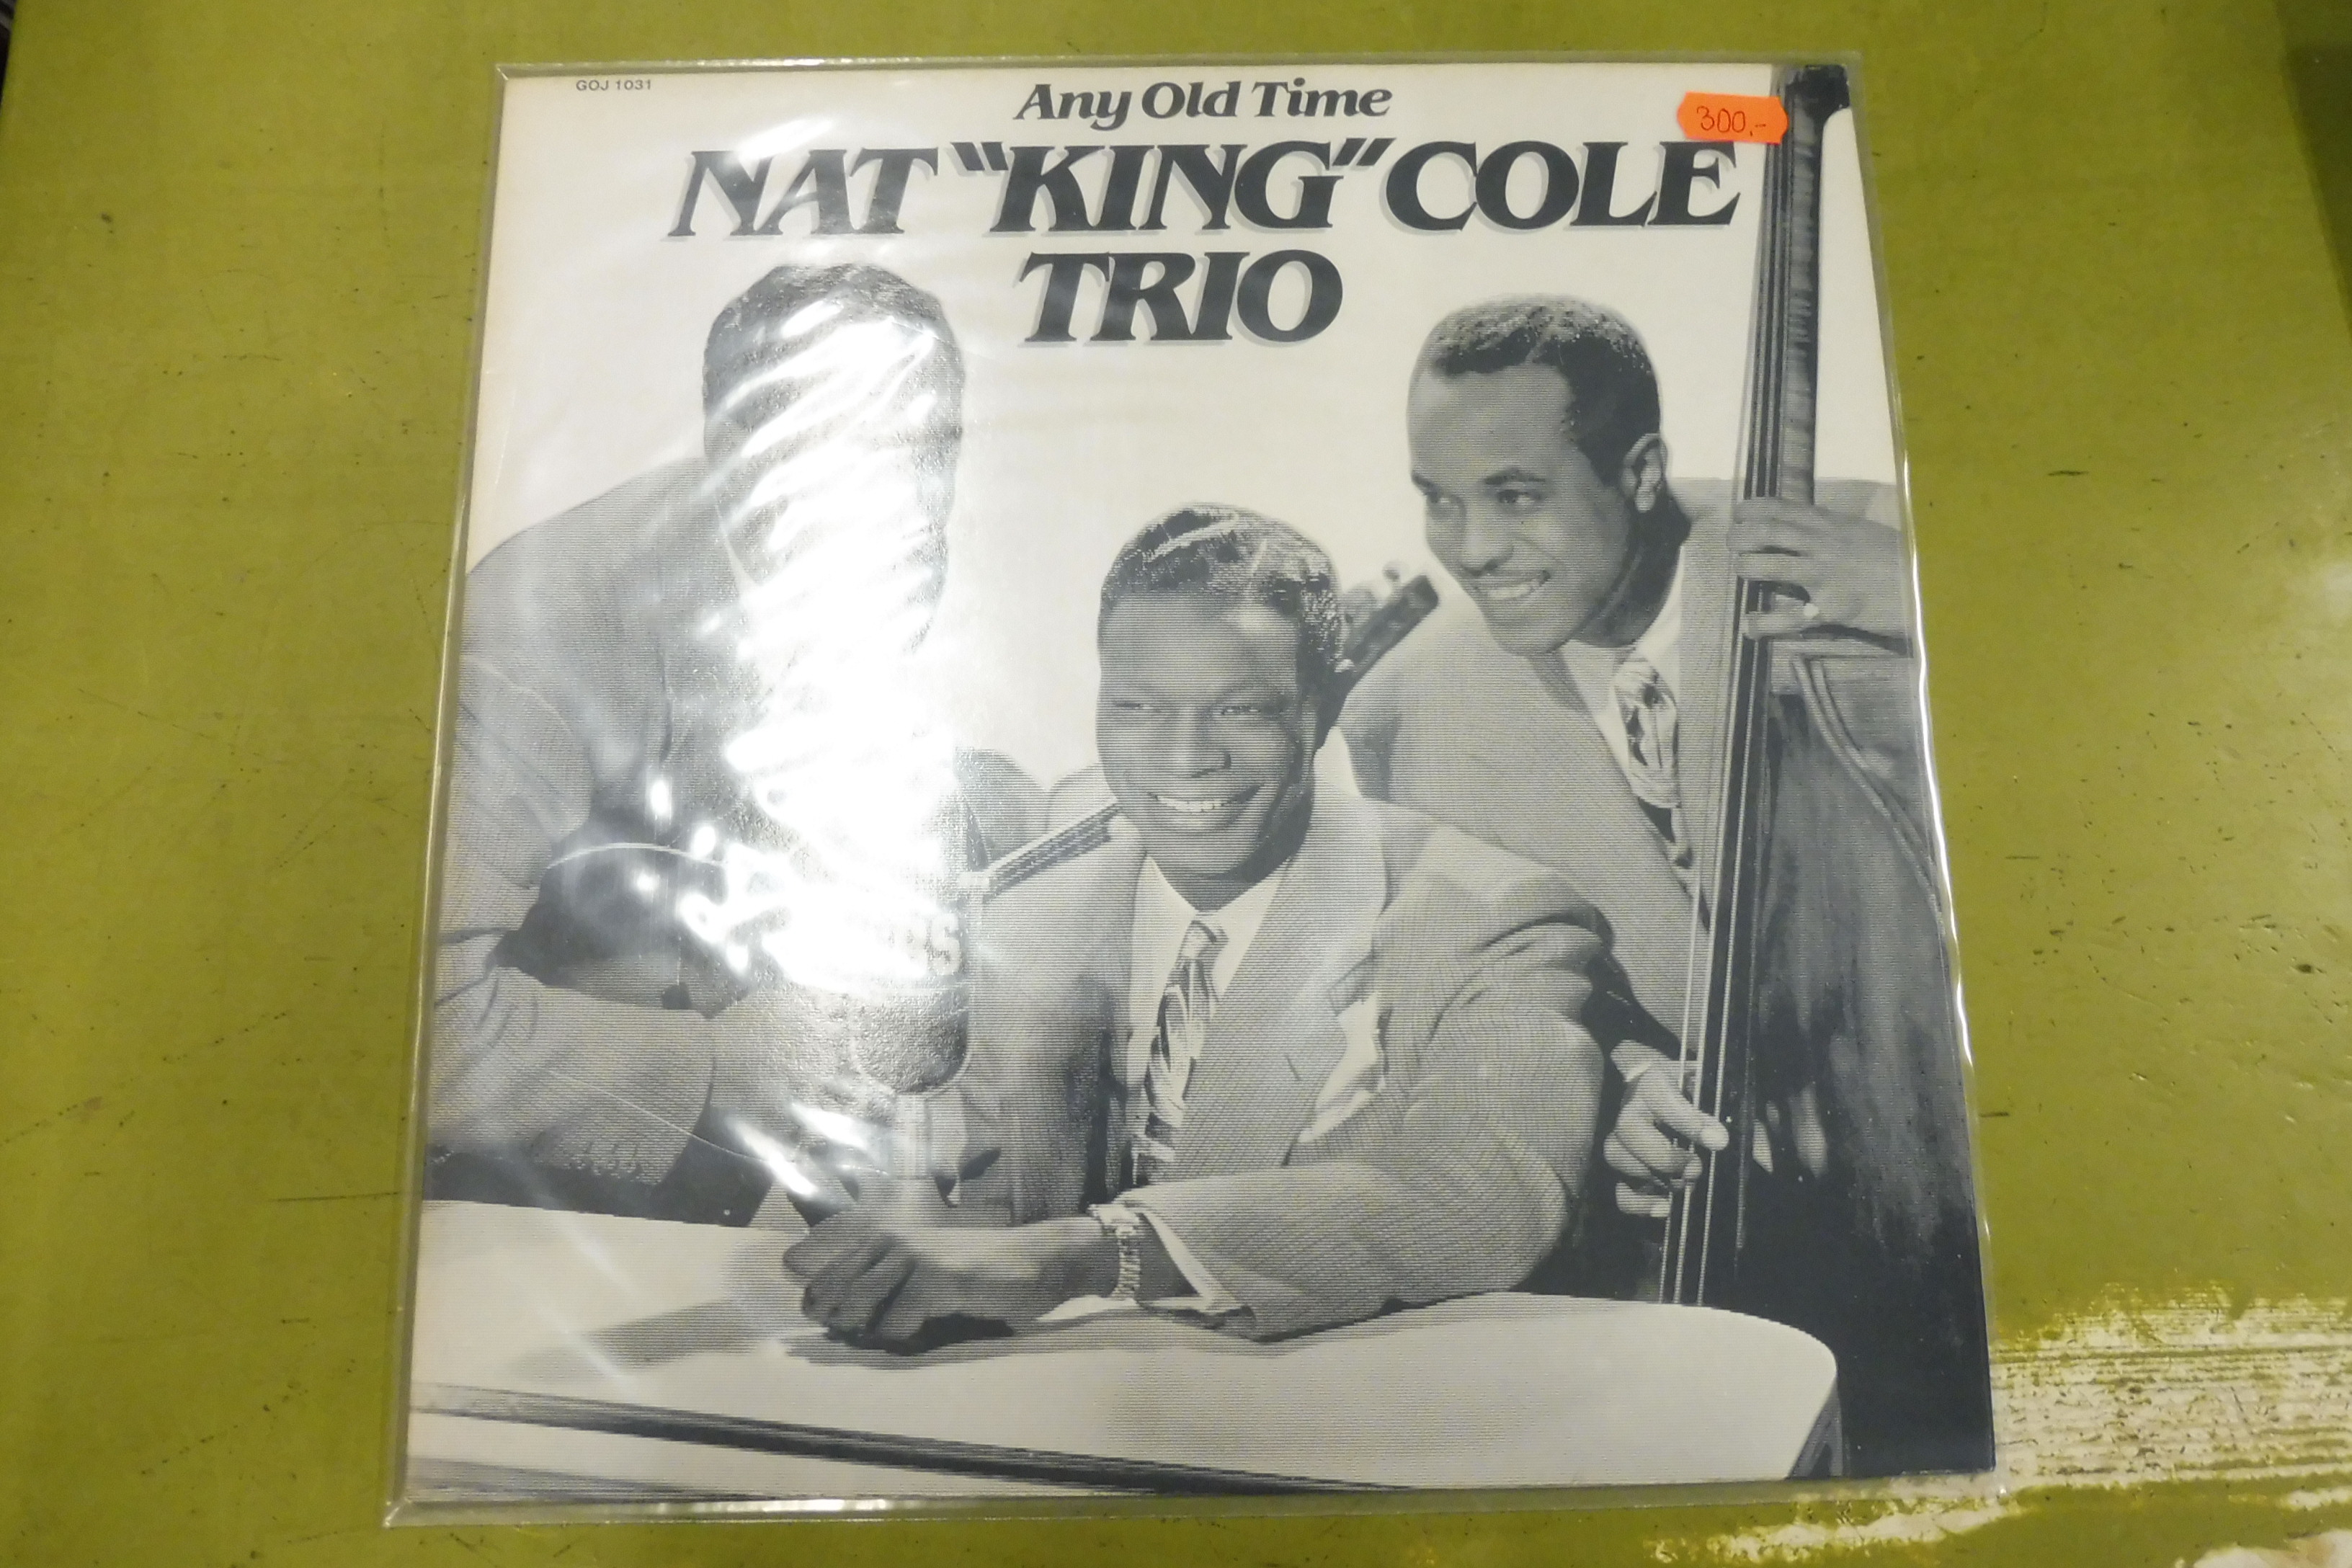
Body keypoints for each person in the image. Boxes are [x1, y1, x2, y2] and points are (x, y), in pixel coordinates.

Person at [1340, 296, 1992, 1474]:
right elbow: (1491, 1001)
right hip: (1718, 1303)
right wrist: (1620, 1087)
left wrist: (1947, 604)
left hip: (1976, 1229)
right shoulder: (1403, 711)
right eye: (1439, 499)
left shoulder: (1885, 545)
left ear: (1639, 472)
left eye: (1515, 495)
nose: (1470, 547)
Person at [785, 505, 1613, 1345]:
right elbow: (975, 1210)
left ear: (1325, 706)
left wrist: (1087, 1254)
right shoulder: (1029, 911)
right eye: (1137, 707)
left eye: (1241, 711)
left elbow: (1479, 1193)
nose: (1185, 758)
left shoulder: (1494, 918)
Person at [427, 262, 1043, 1226]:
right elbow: (409, 1027)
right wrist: (719, 1069)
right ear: (729, 453)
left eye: (933, 445)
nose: (910, 503)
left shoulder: (871, 559)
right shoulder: (537, 641)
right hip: (517, 1218)